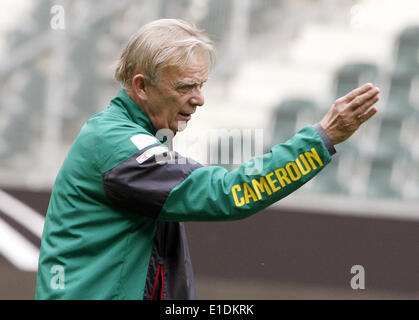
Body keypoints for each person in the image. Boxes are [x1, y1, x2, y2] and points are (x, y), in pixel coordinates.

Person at [35, 18, 380, 300]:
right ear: (141, 86)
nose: (199, 99)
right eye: (186, 86)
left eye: (202, 84)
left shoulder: (132, 137)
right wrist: (321, 139)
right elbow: (228, 193)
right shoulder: (118, 145)